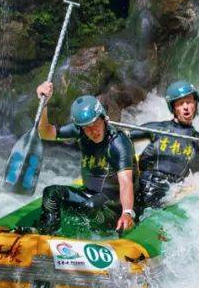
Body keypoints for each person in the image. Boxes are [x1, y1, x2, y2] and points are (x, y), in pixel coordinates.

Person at [30, 82, 137, 235]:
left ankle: (97, 233)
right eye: (87, 127)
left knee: (90, 206)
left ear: (104, 119)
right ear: (80, 128)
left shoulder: (119, 142)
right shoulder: (79, 132)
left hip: (113, 204)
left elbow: (126, 182)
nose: (93, 131)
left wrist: (127, 212)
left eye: (95, 124)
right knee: (51, 192)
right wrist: (44, 104)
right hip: (89, 194)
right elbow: (45, 133)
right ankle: (46, 232)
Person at [126, 81, 199, 210]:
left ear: (195, 104)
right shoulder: (157, 128)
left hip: (170, 192)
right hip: (142, 186)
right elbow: (123, 137)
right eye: (180, 103)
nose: (186, 107)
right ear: (173, 108)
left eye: (189, 102)